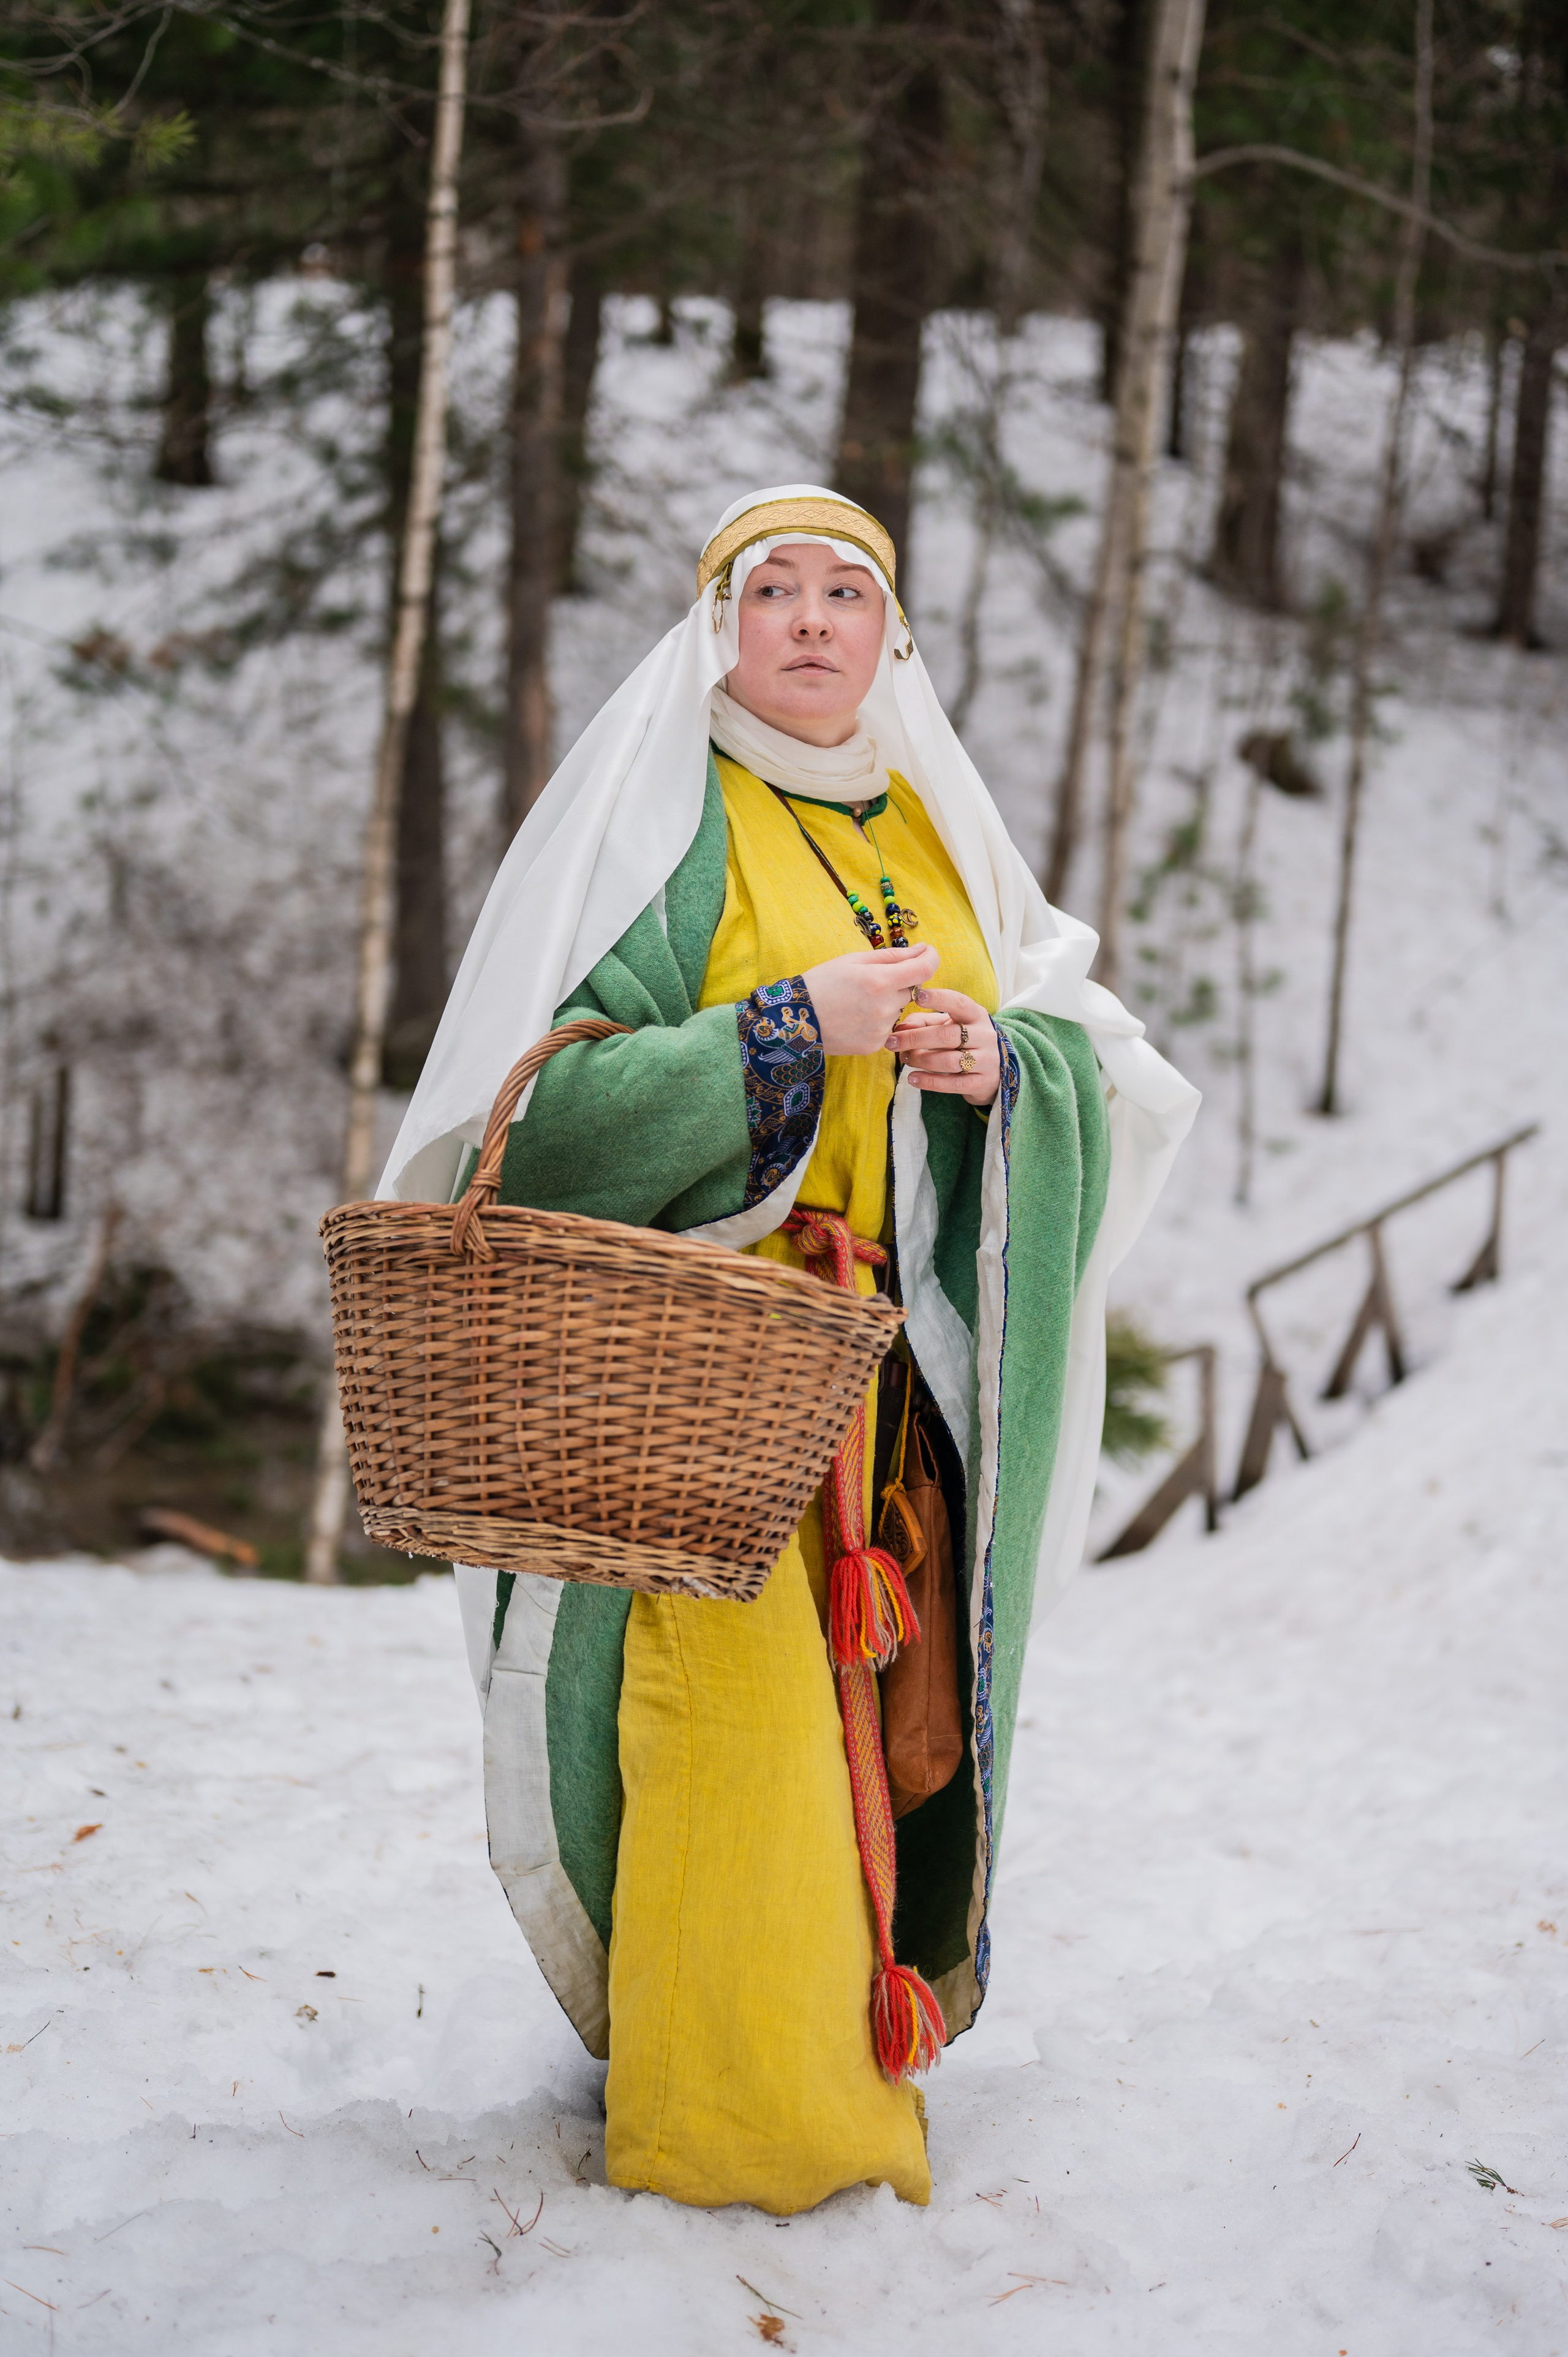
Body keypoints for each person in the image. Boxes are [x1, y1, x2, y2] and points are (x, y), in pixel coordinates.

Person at [382, 485, 1199, 2216]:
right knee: (734, 1755)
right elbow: (536, 1125)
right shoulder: (668, 833)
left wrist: (1005, 1070)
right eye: (777, 593)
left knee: (895, 1744)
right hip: (717, 1386)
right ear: (720, 629)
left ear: (890, 635)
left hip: (908, 1400)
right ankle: (726, 2142)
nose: (814, 621)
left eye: (849, 591)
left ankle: (851, 2072)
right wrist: (772, 1037)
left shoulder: (945, 835)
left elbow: (1096, 1061)